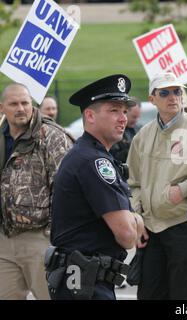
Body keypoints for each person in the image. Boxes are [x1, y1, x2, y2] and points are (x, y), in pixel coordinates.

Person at [47, 74, 147, 300]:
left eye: (124, 110)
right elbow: (127, 235)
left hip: (86, 281)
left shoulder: (90, 155)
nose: (123, 118)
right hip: (86, 284)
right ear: (90, 115)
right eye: (114, 110)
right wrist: (137, 219)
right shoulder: (94, 161)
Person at [127, 72, 187, 300]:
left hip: (184, 226)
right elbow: (133, 182)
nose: (173, 97)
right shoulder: (142, 136)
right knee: (148, 295)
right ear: (152, 99)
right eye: (165, 92)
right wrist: (137, 217)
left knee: (184, 297)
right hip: (150, 230)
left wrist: (186, 189)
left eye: (177, 91)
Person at [0, 83, 73, 300]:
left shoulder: (52, 137)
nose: (21, 108)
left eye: (25, 102)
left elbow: (67, 191)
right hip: (4, 240)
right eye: (14, 104)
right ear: (2, 107)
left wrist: (54, 235)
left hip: (41, 239)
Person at [110, 97, 142, 163]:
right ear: (126, 112)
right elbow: (114, 156)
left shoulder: (140, 129)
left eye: (138, 117)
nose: (136, 120)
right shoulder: (114, 130)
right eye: (134, 117)